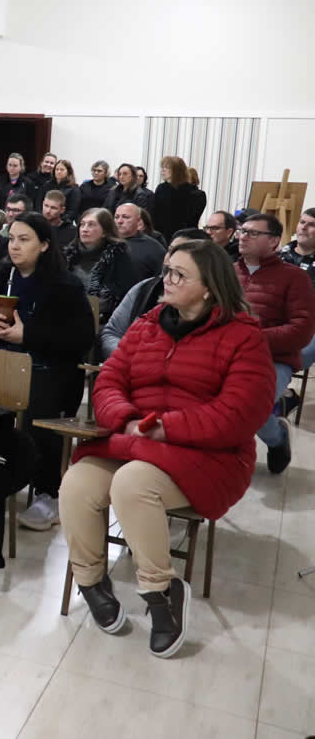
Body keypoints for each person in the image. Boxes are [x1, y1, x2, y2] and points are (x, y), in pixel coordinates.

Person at [60, 240, 274, 658]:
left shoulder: (243, 337)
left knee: (133, 483)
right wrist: (123, 418)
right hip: (134, 438)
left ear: (210, 287)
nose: (166, 280)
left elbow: (238, 415)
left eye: (178, 274)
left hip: (208, 455)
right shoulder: (147, 325)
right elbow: (108, 382)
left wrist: (162, 428)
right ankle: (90, 580)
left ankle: (161, 593)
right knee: (78, 482)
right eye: (166, 270)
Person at [0, 212, 94, 532]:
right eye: (11, 239)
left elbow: (81, 340)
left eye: (24, 240)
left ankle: (47, 492)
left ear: (44, 245)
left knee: (37, 404)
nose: (14, 247)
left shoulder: (65, 285)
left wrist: (27, 336)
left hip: (46, 371)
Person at [234, 213, 315, 474]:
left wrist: (251, 339)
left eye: (253, 233)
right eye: (242, 231)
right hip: (224, 355)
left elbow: (301, 330)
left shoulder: (294, 278)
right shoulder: (227, 272)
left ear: (274, 242)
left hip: (273, 359)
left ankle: (277, 438)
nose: (243, 236)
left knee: (250, 408)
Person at [101, 229, 210, 358]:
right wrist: (129, 358)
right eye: (170, 250)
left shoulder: (216, 314)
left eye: (182, 253)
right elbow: (112, 333)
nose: (171, 258)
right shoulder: (144, 289)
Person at [64, 208, 138, 323]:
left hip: (104, 319)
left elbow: (120, 295)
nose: (84, 229)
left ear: (104, 232)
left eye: (91, 225)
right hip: (68, 314)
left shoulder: (117, 255)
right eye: (82, 224)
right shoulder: (69, 255)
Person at [278, 207, 315, 417]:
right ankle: (282, 395)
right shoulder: (278, 255)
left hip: (309, 326)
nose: (304, 228)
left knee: (295, 354)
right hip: (275, 319)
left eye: (311, 225)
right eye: (302, 222)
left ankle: (280, 395)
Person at [151, 155, 200, 240]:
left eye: (167, 167)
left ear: (177, 170)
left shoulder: (193, 193)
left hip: (183, 236)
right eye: (162, 167)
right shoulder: (161, 188)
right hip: (162, 235)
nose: (163, 170)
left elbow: (190, 219)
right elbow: (155, 213)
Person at [114, 203, 167, 280]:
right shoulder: (107, 241)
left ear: (138, 221)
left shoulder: (154, 248)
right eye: (116, 217)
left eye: (126, 217)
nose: (119, 221)